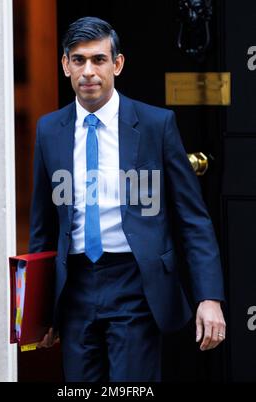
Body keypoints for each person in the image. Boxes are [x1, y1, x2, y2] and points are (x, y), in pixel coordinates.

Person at [29, 16, 226, 382]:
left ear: (117, 64)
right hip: (74, 288)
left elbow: (193, 218)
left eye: (99, 59)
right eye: (78, 59)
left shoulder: (156, 124)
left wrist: (209, 297)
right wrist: (41, 313)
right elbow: (43, 225)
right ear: (64, 65)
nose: (88, 71)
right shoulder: (48, 129)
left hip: (135, 284)